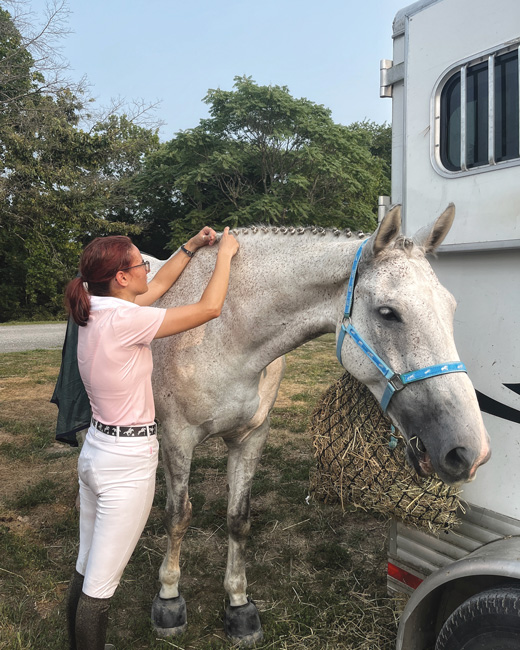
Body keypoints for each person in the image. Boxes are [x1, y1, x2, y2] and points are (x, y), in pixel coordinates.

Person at [63, 226, 239, 650]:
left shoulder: (95, 308)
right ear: (121, 278)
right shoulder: (126, 320)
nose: (147, 268)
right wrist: (225, 256)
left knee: (86, 567)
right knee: (99, 591)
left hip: (97, 453)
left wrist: (190, 247)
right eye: (140, 263)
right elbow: (210, 308)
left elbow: (159, 285)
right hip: (126, 462)